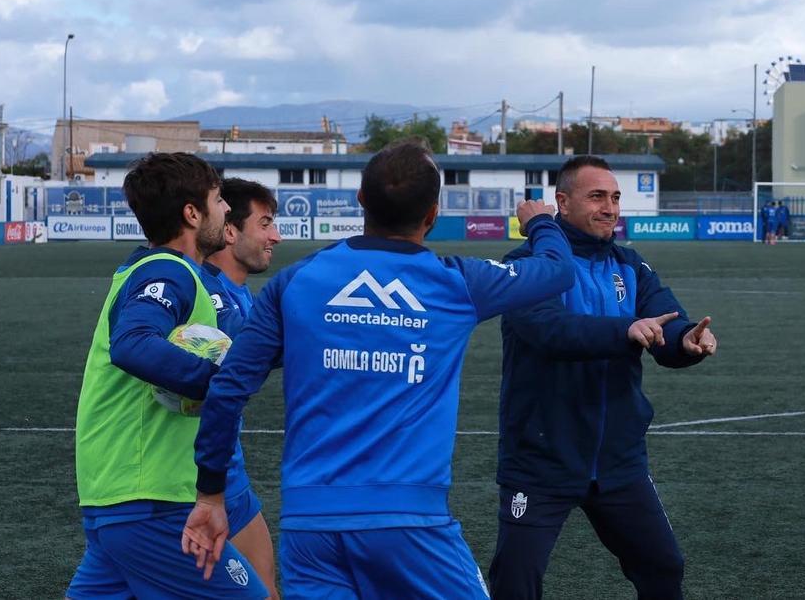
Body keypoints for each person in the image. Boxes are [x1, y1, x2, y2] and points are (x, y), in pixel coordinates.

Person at [182, 137, 576, 598]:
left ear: (360, 201)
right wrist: (544, 224)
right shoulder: (458, 282)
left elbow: (228, 389)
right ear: (432, 215)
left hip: (311, 527)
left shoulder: (296, 281)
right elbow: (558, 269)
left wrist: (210, 494)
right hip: (411, 524)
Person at [488, 155, 718, 600]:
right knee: (516, 583)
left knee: (663, 567)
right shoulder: (527, 262)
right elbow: (550, 331)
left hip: (618, 459)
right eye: (597, 197)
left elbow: (666, 322)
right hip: (541, 457)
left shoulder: (631, 265)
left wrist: (686, 340)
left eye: (615, 198)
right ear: (562, 203)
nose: (610, 208)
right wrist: (625, 330)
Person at [68, 152, 269, 599]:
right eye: (218, 201)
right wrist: (217, 384)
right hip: (151, 500)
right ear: (192, 213)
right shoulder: (167, 269)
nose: (224, 211)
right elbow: (133, 343)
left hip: (115, 495)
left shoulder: (155, 270)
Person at [203, 177, 284, 599]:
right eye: (266, 224)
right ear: (230, 231)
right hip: (194, 482)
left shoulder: (242, 295)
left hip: (230, 474)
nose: (277, 235)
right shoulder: (206, 296)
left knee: (266, 591)